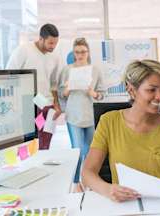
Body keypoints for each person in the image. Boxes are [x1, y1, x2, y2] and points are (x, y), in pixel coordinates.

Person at [82, 60, 160, 202]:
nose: (159, 96)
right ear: (131, 90)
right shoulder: (109, 122)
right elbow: (88, 172)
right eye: (152, 90)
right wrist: (108, 190)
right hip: (125, 206)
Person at [59, 38, 105, 189]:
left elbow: (102, 94)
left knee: (92, 152)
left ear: (88, 52)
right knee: (77, 151)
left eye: (83, 52)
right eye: (77, 52)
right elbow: (61, 94)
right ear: (73, 53)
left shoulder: (95, 70)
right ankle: (75, 183)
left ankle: (90, 181)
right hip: (73, 115)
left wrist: (93, 93)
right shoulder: (67, 70)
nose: (80, 55)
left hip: (90, 116)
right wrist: (67, 89)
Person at [6, 23, 62, 150]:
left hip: (46, 105)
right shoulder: (24, 50)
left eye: (55, 43)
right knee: (27, 142)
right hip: (27, 103)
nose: (53, 46)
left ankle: (41, 167)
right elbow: (9, 75)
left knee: (44, 141)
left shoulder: (55, 57)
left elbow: (53, 84)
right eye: (50, 43)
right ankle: (26, 166)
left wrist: (57, 105)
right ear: (41, 38)